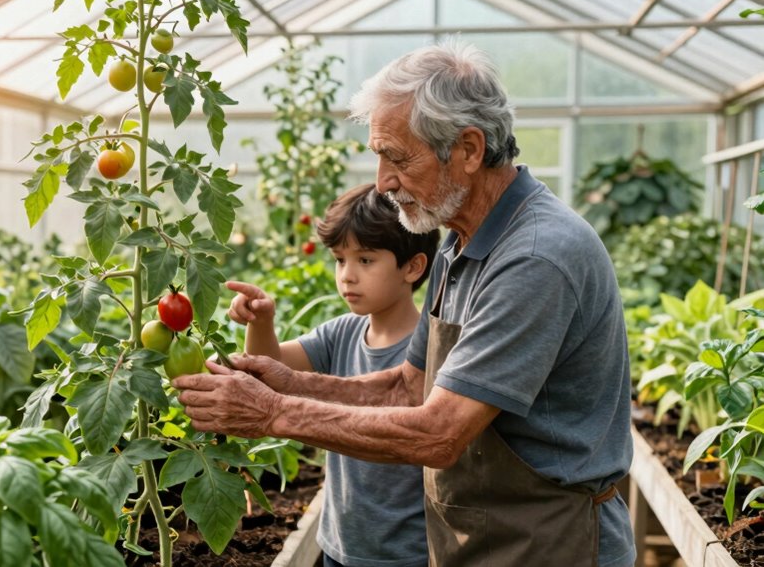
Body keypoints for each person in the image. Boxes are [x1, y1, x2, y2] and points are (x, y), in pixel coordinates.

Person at [174, 40, 636, 567]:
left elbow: (439, 433)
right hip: (482, 535)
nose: (382, 182)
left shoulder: (536, 257)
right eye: (378, 156)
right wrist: (293, 381)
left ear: (468, 149)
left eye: (397, 158)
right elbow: (408, 384)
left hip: (550, 544)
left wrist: (274, 412)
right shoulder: (461, 241)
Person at [227, 183, 440, 567]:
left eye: (366, 260)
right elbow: (269, 368)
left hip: (409, 554)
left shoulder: (430, 351)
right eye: (340, 260)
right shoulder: (341, 333)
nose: (347, 276)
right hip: (339, 544)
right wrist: (262, 320)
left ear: (413, 266)